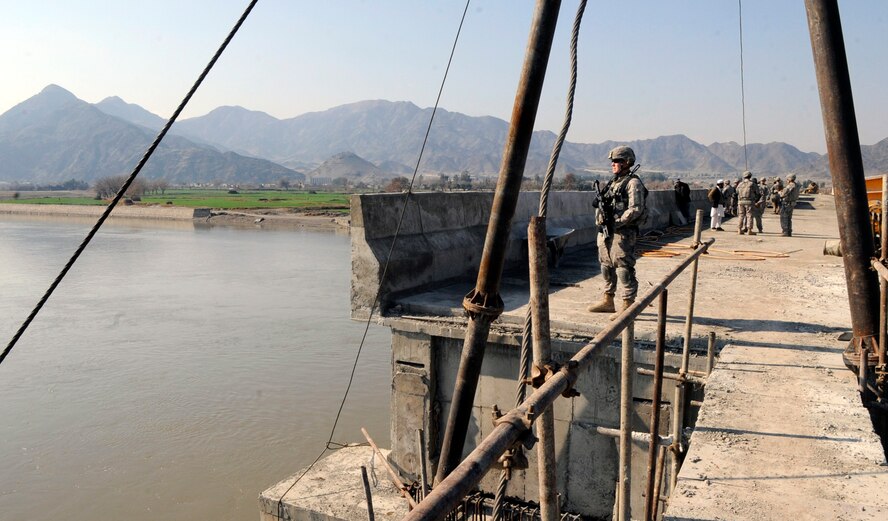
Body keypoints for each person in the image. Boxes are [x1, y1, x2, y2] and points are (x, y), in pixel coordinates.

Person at [588, 146, 647, 318]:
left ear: (627, 162)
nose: (613, 164)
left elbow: (636, 209)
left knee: (623, 267)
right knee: (606, 265)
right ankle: (608, 300)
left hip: (623, 232)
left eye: (617, 161)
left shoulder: (633, 183)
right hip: (606, 231)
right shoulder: (613, 182)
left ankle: (628, 304)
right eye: (612, 161)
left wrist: (617, 222)